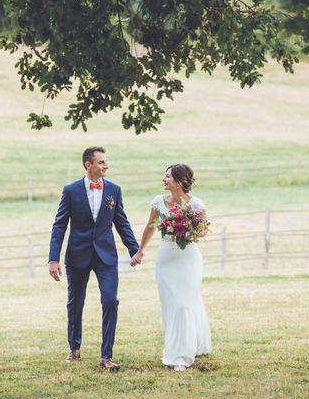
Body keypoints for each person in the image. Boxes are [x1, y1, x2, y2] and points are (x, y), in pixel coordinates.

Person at [48, 146, 140, 371]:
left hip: (106, 256)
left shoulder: (114, 190)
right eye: (101, 162)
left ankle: (106, 356)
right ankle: (74, 349)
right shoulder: (70, 190)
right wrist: (53, 258)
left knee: (110, 300)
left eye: (106, 162)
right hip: (77, 255)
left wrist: (134, 249)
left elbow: (121, 222)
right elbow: (59, 225)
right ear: (88, 165)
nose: (105, 165)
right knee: (75, 303)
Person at [131, 164, 212, 371]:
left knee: (185, 303)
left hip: (188, 259)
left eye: (167, 177)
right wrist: (140, 251)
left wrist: (186, 231)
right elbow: (150, 227)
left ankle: (181, 357)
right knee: (171, 306)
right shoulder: (159, 202)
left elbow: (203, 231)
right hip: (166, 258)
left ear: (179, 180)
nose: (164, 180)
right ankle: (175, 346)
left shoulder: (196, 204)